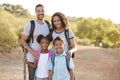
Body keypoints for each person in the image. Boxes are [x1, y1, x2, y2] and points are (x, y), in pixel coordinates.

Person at [20, 4, 50, 80]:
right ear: (35, 12)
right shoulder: (30, 24)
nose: (40, 13)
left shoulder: (48, 24)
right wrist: (33, 53)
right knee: (32, 78)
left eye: (42, 10)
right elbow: (22, 41)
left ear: (45, 11)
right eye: (38, 11)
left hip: (44, 57)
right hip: (32, 57)